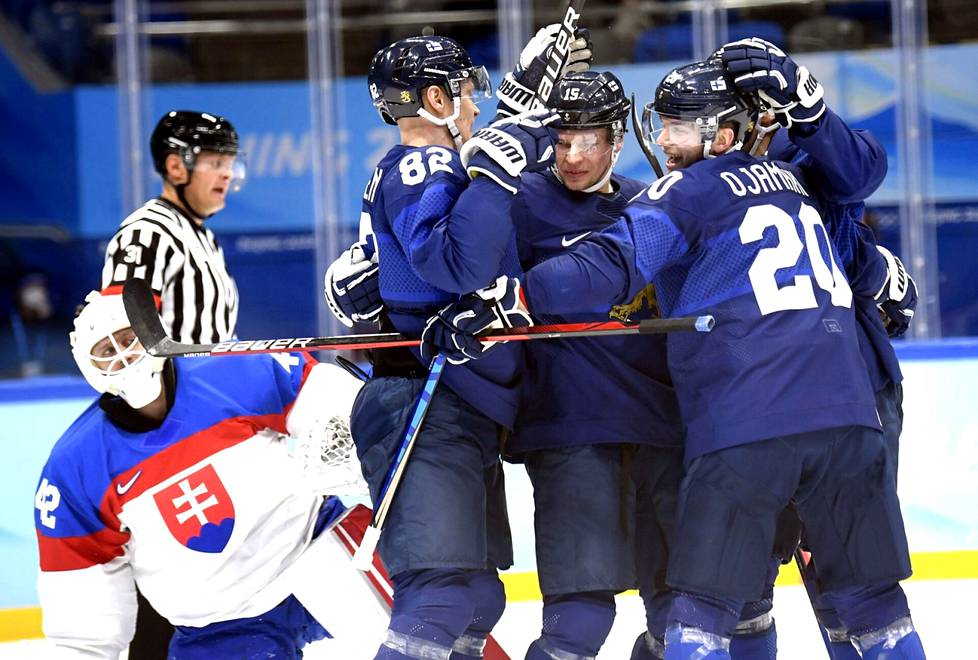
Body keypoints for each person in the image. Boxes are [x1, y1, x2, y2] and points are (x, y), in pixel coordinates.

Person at [427, 56, 925, 660]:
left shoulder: (691, 190)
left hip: (748, 422)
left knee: (704, 607)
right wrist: (877, 269)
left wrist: (515, 297)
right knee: (872, 605)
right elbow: (861, 185)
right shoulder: (805, 177)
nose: (661, 139)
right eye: (661, 123)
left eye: (678, 126)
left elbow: (609, 263)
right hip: (849, 416)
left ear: (724, 132)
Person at [338, 33, 570, 660]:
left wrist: (512, 129)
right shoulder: (425, 164)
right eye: (466, 90)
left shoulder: (436, 168)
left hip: (450, 398)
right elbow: (456, 261)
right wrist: (507, 151)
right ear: (436, 97)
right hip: (422, 397)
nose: (474, 102)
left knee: (474, 597)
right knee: (441, 596)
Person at [33, 289, 397, 658]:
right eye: (107, 352)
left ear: (151, 331)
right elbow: (82, 604)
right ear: (86, 365)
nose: (125, 357)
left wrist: (347, 432)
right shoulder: (74, 467)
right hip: (222, 623)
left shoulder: (231, 368)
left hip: (322, 552)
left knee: (427, 632)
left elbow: (332, 403)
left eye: (129, 339)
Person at [717, 38, 918, 659]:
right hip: (751, 407)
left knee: (852, 590)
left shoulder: (804, 157)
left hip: (844, 393)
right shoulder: (690, 183)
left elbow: (859, 176)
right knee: (741, 595)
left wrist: (809, 109)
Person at [504, 70, 685, 659]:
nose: (572, 156)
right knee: (578, 625)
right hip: (571, 429)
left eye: (587, 141)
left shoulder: (651, 204)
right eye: (560, 141)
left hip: (661, 431)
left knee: (680, 616)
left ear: (617, 140)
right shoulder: (522, 199)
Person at [101, 110, 243, 345]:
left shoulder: (204, 237)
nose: (228, 174)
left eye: (230, 164)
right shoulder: (148, 232)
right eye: (216, 163)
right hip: (179, 383)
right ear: (176, 167)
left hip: (214, 381)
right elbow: (121, 335)